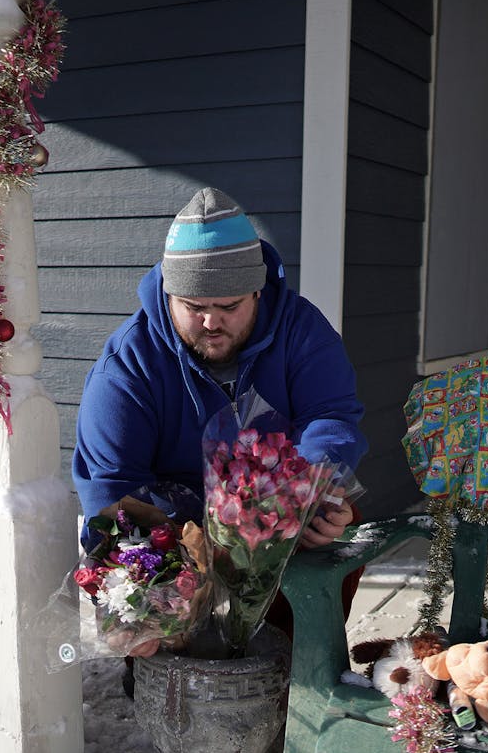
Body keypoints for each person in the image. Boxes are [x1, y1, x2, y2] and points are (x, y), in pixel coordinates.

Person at [72, 187, 368, 679]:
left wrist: (311, 488)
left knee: (343, 518)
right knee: (146, 578)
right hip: (173, 519)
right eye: (193, 305)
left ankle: (294, 664)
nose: (212, 321)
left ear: (258, 291)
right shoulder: (127, 364)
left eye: (229, 304)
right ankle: (163, 667)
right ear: (168, 294)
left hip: (274, 503)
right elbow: (112, 486)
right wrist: (135, 584)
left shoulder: (300, 329)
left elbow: (332, 415)